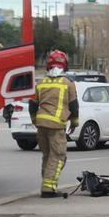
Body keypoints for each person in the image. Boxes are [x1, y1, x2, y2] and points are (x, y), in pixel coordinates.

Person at [32, 50, 79, 197]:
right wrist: (74, 121)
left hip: (41, 125)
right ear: (64, 65)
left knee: (47, 155)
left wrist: (35, 120)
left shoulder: (40, 83)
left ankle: (47, 184)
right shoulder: (68, 84)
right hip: (57, 125)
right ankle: (48, 188)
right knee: (58, 156)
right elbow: (73, 106)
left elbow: (32, 105)